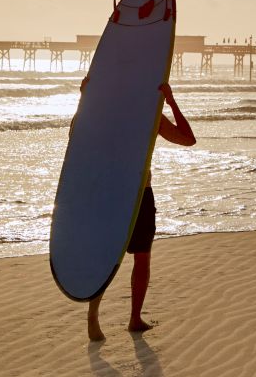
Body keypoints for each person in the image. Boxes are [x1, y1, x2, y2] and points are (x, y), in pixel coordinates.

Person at [87, 82, 196, 341]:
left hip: (119, 193)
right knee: (137, 258)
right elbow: (188, 139)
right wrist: (170, 100)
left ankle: (114, 317)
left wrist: (86, 100)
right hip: (132, 193)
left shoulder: (109, 112)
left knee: (119, 257)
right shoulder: (148, 113)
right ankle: (125, 319)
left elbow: (188, 140)